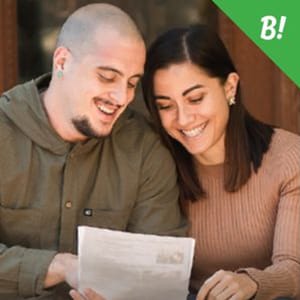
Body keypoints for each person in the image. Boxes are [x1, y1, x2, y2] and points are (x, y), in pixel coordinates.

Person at [0, 4, 187, 300]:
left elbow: (161, 272)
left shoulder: (143, 149)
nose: (122, 97)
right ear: (61, 61)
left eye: (131, 83)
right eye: (107, 77)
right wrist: (59, 266)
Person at [142, 24, 300, 300]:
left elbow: (294, 269)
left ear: (230, 87)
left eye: (195, 98)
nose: (183, 119)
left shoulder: (288, 157)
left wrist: (252, 283)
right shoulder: (155, 166)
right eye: (166, 106)